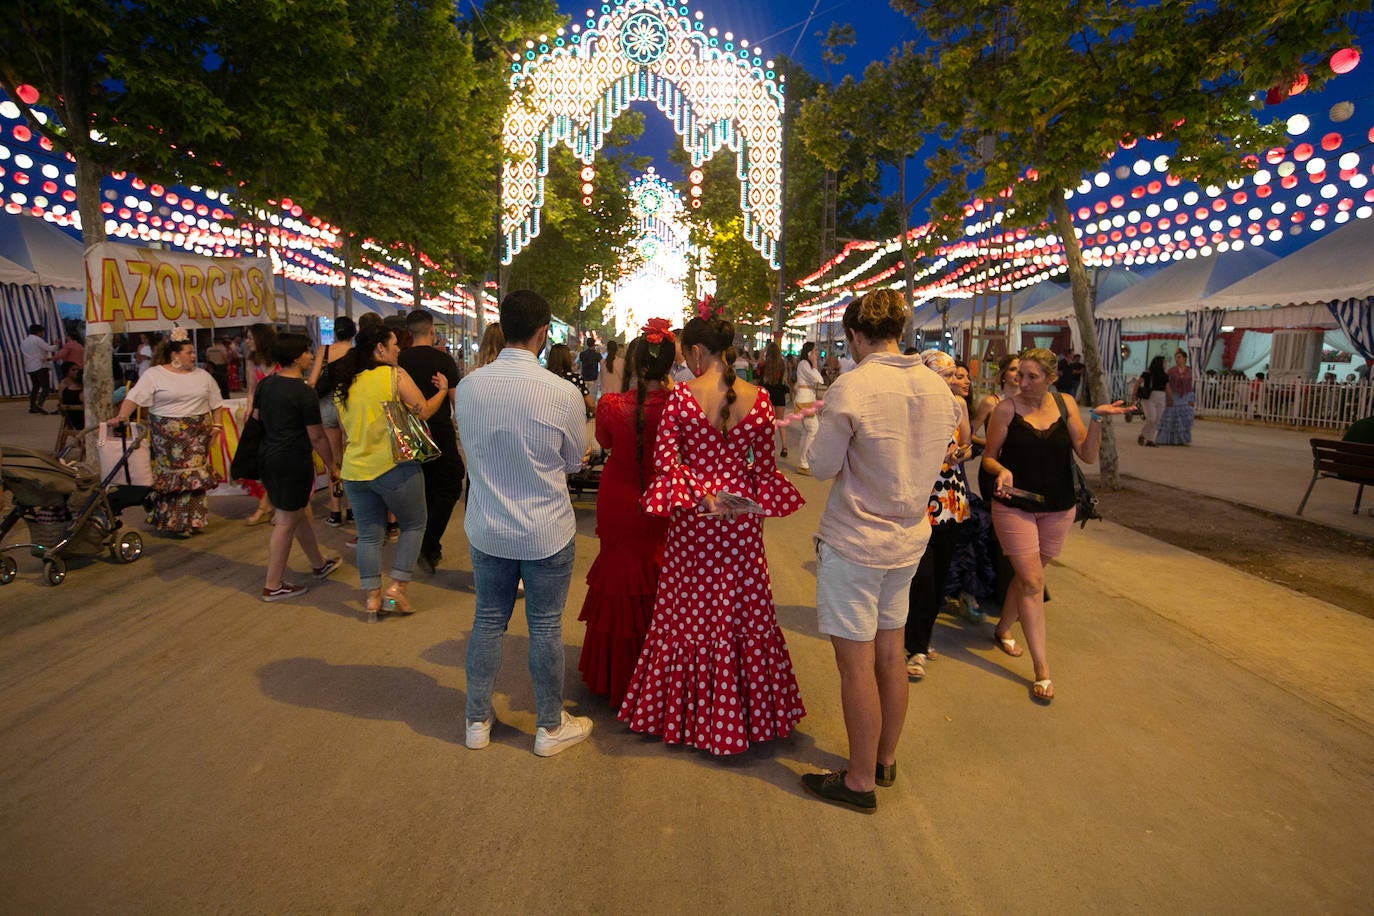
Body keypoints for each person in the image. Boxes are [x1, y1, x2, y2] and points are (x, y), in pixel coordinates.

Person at [618, 315, 806, 756]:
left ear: (698, 353)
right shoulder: (759, 400)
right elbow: (762, 472)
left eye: (686, 352)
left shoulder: (682, 397)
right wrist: (731, 496)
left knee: (686, 614)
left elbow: (667, 463)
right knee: (743, 612)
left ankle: (688, 718)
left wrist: (703, 495)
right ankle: (746, 718)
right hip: (739, 523)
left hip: (695, 522)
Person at [800, 290, 956, 813]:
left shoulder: (855, 384)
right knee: (891, 653)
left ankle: (859, 780)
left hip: (856, 540)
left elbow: (820, 466)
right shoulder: (938, 388)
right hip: (910, 536)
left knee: (856, 665)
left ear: (855, 336)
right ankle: (885, 760)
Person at [455, 290, 592, 757]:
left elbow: (468, 449)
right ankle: (549, 727)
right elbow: (575, 462)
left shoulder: (470, 386)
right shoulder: (562, 392)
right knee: (545, 627)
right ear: (542, 332)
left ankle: (476, 720)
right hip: (545, 529)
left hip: (488, 525)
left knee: (488, 621)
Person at [980, 348, 1134, 702]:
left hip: (1059, 507)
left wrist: (1096, 417)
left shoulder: (1064, 404)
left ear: (1052, 379)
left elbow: (1088, 454)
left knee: (1027, 577)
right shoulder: (1006, 408)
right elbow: (988, 457)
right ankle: (1042, 670)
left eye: (1032, 377)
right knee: (1034, 581)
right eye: (1019, 375)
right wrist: (1001, 470)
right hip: (1014, 505)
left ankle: (1003, 627)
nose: (1022, 382)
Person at [577, 323, 675, 707]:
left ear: (631, 364)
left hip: (618, 497)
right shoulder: (681, 404)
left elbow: (604, 442)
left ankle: (614, 675)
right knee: (662, 575)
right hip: (663, 497)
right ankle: (656, 680)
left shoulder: (610, 406)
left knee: (618, 575)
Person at [333, 323, 449, 619]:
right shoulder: (391, 375)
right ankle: (396, 590)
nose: (399, 348)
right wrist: (444, 391)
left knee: (369, 536)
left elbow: (344, 432)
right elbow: (422, 410)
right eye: (395, 343)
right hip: (393, 467)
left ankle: (372, 598)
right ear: (380, 348)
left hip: (355, 471)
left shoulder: (344, 385)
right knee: (414, 525)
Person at [253, 333, 341, 601]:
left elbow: (256, 420)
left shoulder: (266, 385)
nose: (310, 356)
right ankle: (273, 584)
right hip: (293, 460)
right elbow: (316, 436)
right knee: (286, 520)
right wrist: (332, 465)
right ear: (294, 357)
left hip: (269, 456)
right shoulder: (303, 392)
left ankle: (318, 563)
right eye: (306, 352)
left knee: (300, 510)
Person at [902, 350, 972, 681]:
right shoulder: (912, 408)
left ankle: (922, 638)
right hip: (920, 502)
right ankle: (914, 647)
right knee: (922, 579)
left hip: (951, 501)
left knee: (939, 579)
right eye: (945, 375)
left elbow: (967, 444)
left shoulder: (958, 405)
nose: (954, 381)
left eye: (954, 375)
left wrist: (957, 453)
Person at [114, 328, 223, 536]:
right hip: (166, 435)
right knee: (173, 476)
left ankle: (191, 520)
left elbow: (216, 403)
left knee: (193, 475)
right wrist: (121, 417)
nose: (193, 356)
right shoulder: (154, 374)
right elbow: (134, 397)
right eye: (189, 352)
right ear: (175, 355)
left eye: (193, 353)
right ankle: (173, 520)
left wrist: (216, 427)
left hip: (197, 434)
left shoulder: (203, 375)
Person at [398, 309, 463, 575]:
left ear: (408, 332)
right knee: (449, 484)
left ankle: (421, 544)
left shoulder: (398, 360)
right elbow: (455, 401)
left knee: (422, 488)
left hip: (407, 432)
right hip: (438, 431)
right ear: (432, 331)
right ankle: (428, 544)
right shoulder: (443, 360)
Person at [308, 316, 356, 528]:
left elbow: (312, 381)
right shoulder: (356, 354)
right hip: (349, 404)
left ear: (335, 332)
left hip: (326, 406)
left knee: (334, 461)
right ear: (353, 333)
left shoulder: (324, 350)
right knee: (353, 458)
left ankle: (335, 512)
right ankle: (353, 508)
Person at [243, 323, 279, 525]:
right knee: (263, 465)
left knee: (274, 464)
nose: (248, 341)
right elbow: (251, 390)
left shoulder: (279, 359)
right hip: (260, 417)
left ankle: (266, 506)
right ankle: (266, 505)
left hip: (280, 418)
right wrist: (249, 411)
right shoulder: (252, 361)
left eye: (251, 337)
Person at [793, 341, 824, 475]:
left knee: (807, 431)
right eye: (815, 351)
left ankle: (803, 461)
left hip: (807, 398)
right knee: (813, 429)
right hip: (805, 399)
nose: (816, 353)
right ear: (809, 352)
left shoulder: (804, 364)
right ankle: (803, 462)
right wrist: (815, 363)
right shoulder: (804, 364)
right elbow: (818, 379)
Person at [1156, 349, 1195, 445]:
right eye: (1176, 357)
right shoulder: (1171, 371)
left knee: (1182, 419)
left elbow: (1190, 385)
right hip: (1174, 395)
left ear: (1184, 358)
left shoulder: (1189, 371)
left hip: (1185, 396)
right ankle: (1167, 439)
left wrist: (1191, 398)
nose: (1177, 359)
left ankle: (1181, 439)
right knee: (1171, 416)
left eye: (1179, 357)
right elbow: (1167, 383)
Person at [547, 341, 595, 417]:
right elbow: (590, 404)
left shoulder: (546, 376)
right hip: (571, 418)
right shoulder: (575, 378)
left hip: (549, 417)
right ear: (567, 358)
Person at [759, 341, 790, 457]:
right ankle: (784, 447)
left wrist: (762, 352)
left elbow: (758, 367)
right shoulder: (781, 364)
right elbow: (784, 378)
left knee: (768, 422)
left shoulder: (765, 364)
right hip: (780, 393)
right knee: (781, 421)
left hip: (768, 394)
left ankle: (768, 446)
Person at [21, 323, 59, 414]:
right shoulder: (38, 340)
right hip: (40, 366)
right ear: (39, 332)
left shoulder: (24, 341)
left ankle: (32, 406)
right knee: (46, 387)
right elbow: (50, 349)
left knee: (35, 387)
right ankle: (39, 405)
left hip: (29, 367)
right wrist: (56, 345)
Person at [1137, 355, 1169, 446]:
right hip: (1149, 397)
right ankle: (1143, 434)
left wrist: (1169, 398)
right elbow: (1138, 382)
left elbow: (1167, 387)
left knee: (1157, 420)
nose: (1165, 364)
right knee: (1151, 418)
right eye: (1164, 362)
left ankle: (1149, 439)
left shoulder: (1165, 375)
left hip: (1161, 398)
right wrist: (1134, 393)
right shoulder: (1148, 373)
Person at [57, 362, 85, 432]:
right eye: (73, 370)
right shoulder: (64, 385)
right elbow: (62, 400)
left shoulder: (72, 387)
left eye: (77, 370)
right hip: (78, 418)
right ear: (66, 372)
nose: (76, 372)